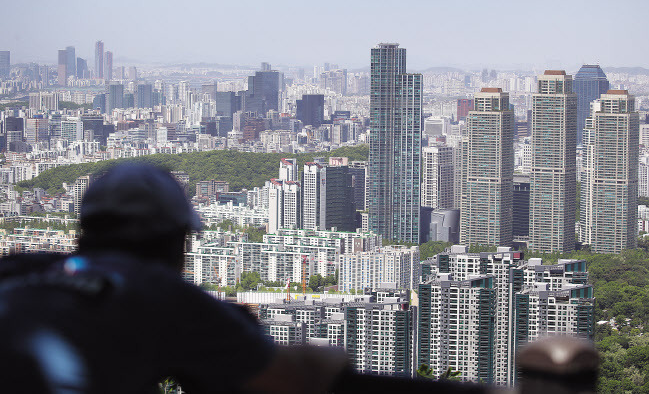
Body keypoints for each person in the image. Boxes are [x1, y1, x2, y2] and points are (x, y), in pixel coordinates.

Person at [0, 163, 489, 394]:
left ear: (85, 229)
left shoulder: (19, 269)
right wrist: (330, 358)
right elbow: (287, 383)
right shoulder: (162, 298)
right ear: (178, 243)